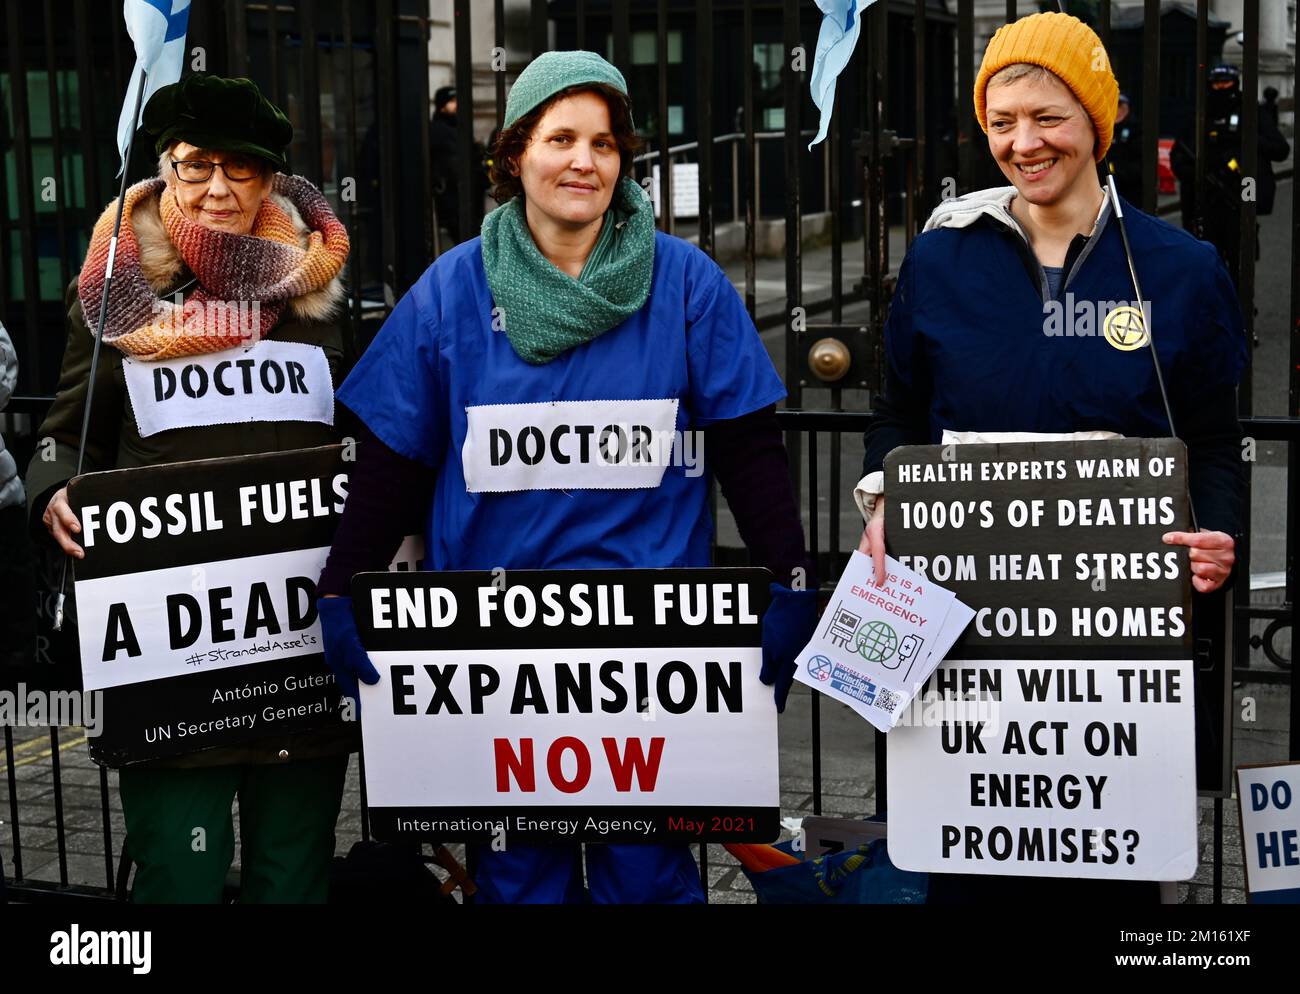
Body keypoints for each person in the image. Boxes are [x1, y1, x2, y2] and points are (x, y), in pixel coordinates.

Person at [314, 50, 819, 905]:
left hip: (654, 648)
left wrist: (793, 579)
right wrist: (338, 588)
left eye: (604, 142)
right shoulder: (452, 291)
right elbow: (396, 460)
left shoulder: (685, 281)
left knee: (646, 876)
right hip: (496, 651)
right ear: (515, 154)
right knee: (519, 879)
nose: (583, 160)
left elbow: (747, 448)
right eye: (560, 138)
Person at [853, 12, 1245, 901]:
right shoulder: (941, 260)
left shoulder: (1181, 270)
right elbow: (895, 416)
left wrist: (1214, 533)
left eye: (1049, 118)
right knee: (965, 875)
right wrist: (884, 504)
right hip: (962, 651)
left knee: (1109, 888)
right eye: (1001, 122)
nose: (1024, 144)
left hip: (1116, 661)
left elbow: (1215, 440)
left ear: (1100, 122)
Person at [25, 74, 353, 903]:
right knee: (180, 876)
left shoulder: (315, 297)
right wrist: (56, 489)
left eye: (240, 168)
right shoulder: (117, 295)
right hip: (172, 673)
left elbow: (359, 436)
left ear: (271, 179)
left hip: (295, 656)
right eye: (195, 164)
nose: (216, 187)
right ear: (165, 169)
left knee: (295, 879)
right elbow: (67, 433)